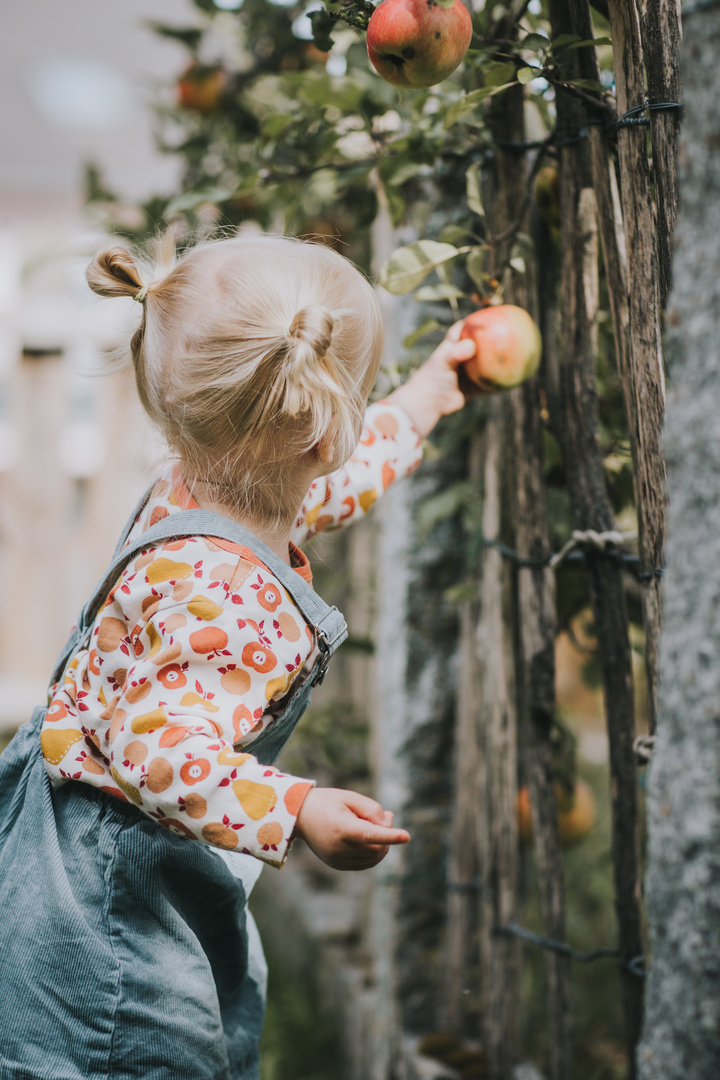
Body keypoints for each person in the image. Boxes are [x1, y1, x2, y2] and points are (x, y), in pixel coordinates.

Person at [0, 233, 475, 1080]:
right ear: (320, 434)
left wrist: (430, 399)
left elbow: (330, 483)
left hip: (59, 837)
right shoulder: (225, 592)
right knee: (134, 1054)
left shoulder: (202, 486)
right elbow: (158, 748)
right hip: (119, 898)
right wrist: (295, 809)